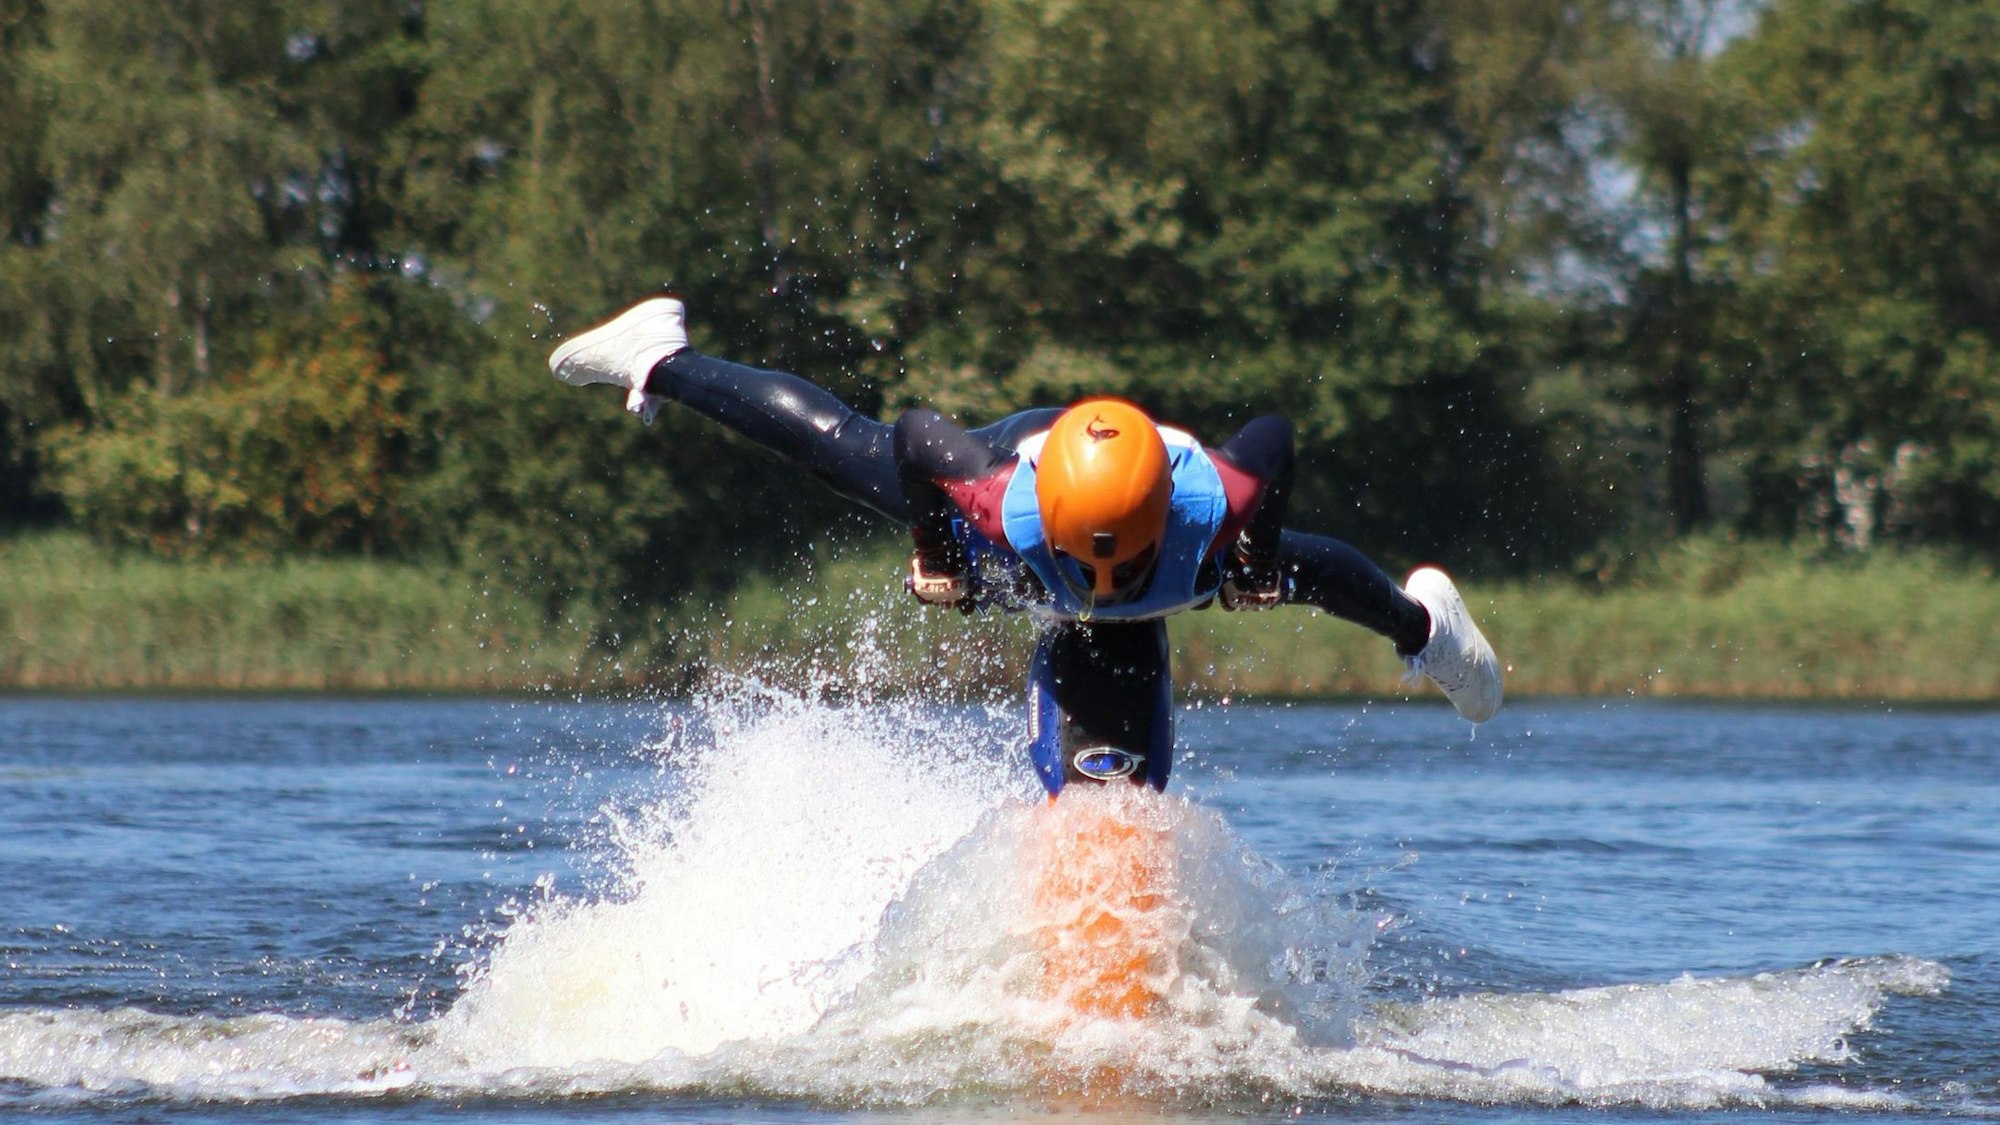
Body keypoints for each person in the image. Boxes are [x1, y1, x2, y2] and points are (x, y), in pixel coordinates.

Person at [550, 296, 1503, 795]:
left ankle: (1431, 626)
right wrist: (943, 552)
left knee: (1301, 569)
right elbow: (921, 432)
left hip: (1162, 518)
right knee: (837, 449)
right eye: (1087, 565)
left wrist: (1250, 559)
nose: (1095, 582)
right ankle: (658, 356)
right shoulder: (995, 503)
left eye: (1114, 566)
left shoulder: (1211, 512)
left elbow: (1276, 438)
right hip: (1022, 477)